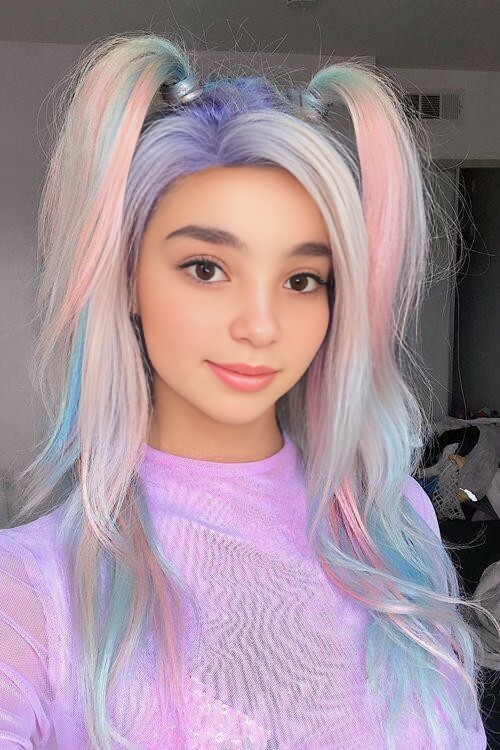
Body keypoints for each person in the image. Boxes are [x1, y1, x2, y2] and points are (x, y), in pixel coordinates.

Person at [0, 31, 494, 750]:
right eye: (206, 268)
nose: (261, 326)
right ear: (127, 278)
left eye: (302, 280)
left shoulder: (391, 523)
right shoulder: (30, 591)